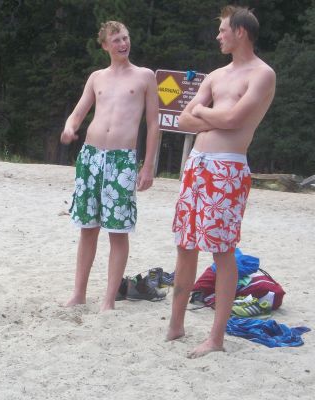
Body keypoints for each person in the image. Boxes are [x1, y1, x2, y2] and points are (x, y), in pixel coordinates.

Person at [166, 5, 276, 358]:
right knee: (185, 244)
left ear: (240, 32)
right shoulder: (215, 75)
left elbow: (235, 119)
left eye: (223, 30)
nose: (218, 36)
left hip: (227, 169)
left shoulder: (262, 74)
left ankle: (215, 338)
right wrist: (211, 116)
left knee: (222, 250)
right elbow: (183, 120)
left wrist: (203, 113)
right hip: (196, 165)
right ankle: (176, 324)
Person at [61, 21, 160, 311]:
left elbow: (153, 124)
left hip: (122, 161)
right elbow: (78, 112)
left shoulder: (144, 76)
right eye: (116, 40)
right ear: (105, 45)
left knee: (118, 231)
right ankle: (79, 293)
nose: (123, 44)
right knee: (87, 228)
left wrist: (148, 166)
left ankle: (108, 300)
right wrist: (69, 127)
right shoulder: (97, 77)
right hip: (91, 157)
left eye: (125, 38)